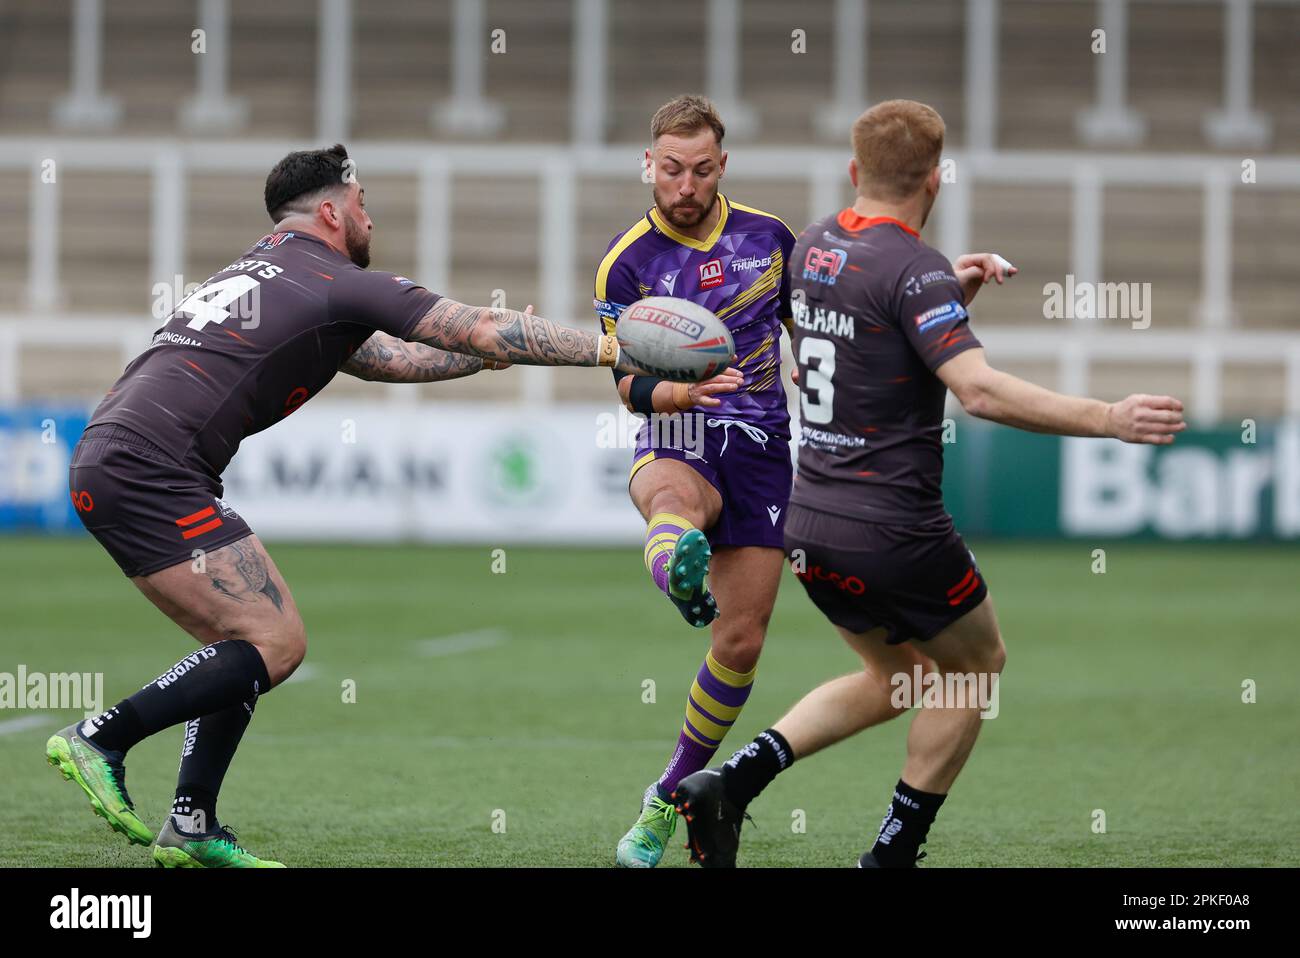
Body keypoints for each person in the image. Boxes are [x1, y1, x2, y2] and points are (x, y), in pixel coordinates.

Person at [49, 143, 651, 867]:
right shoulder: (332, 277)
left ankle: (192, 822)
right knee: (277, 644)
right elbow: (484, 324)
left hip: (110, 455)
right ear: (333, 211)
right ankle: (102, 737)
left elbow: (384, 359)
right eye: (364, 202)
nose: (372, 216)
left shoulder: (267, 269)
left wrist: (488, 356)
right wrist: (613, 348)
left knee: (240, 643)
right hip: (154, 466)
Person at [672, 100, 1186, 868]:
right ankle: (891, 855)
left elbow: (864, 327)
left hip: (809, 524)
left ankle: (731, 784)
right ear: (936, 181)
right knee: (976, 670)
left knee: (900, 677)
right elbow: (977, 390)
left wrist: (945, 289)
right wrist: (1108, 416)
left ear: (855, 171)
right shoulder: (915, 271)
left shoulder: (812, 244)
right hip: (895, 531)